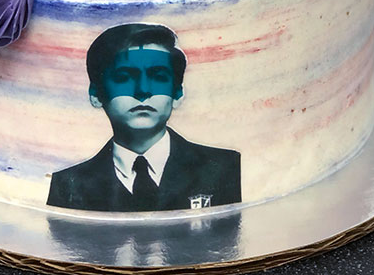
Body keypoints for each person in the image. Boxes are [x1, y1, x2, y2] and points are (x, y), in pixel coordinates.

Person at [46, 23, 241, 212]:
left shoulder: (224, 168)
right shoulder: (66, 185)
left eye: (159, 76)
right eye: (124, 77)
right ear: (96, 94)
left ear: (178, 93)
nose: (143, 90)